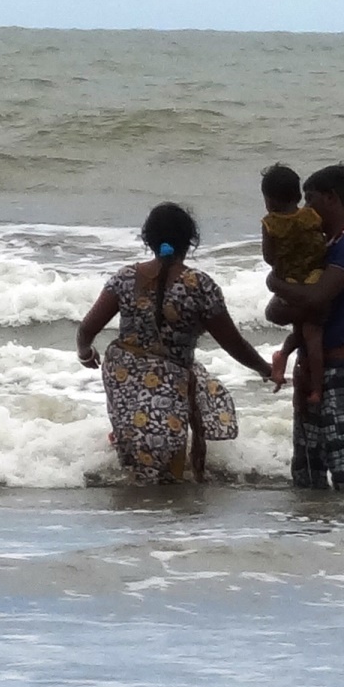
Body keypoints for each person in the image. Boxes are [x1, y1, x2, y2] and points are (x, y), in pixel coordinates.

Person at [73, 203, 273, 486]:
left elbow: (87, 328)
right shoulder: (200, 286)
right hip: (171, 374)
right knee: (173, 441)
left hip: (123, 372)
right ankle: (173, 483)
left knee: (137, 432)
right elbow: (233, 343)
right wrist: (265, 369)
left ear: (147, 240)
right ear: (190, 240)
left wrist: (85, 353)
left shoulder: (125, 277)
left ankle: (128, 465)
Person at [262, 163, 344, 490]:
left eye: (310, 200)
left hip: (343, 362)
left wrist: (275, 284)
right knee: (307, 462)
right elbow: (280, 313)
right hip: (315, 361)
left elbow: (314, 299)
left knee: (341, 456)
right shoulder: (323, 245)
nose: (305, 208)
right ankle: (317, 536)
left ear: (332, 198)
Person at [257, 164, 330, 418]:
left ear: (268, 199)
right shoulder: (311, 215)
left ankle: (282, 358)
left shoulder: (270, 224)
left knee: (303, 329)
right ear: (298, 196)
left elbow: (268, 257)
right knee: (312, 333)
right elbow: (321, 241)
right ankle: (317, 390)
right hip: (314, 278)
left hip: (289, 280)